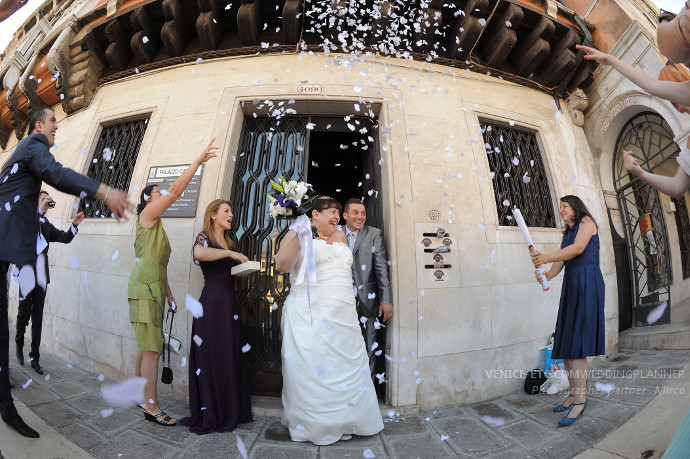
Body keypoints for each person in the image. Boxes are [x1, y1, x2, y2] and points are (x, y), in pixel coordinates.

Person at [0, 106, 133, 439]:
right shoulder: (33, 145)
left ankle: (6, 407)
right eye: (53, 122)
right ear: (37, 126)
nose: (56, 127)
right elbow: (56, 173)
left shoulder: (18, 165)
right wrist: (104, 191)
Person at [274, 196, 384, 445]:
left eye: (337, 212)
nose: (337, 217)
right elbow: (282, 266)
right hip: (309, 314)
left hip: (343, 318)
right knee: (312, 368)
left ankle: (350, 419)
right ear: (314, 214)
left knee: (347, 368)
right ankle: (316, 425)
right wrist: (301, 235)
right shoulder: (298, 232)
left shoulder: (341, 237)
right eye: (332, 212)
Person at [128, 140, 217, 427]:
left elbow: (155, 262)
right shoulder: (148, 214)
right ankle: (152, 406)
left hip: (153, 286)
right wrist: (197, 162)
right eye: (156, 191)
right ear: (147, 199)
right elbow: (177, 191)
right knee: (152, 347)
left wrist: (168, 294)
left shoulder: (156, 223)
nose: (161, 192)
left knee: (146, 346)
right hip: (144, 288)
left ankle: (141, 395)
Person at [180, 199, 253, 434]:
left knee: (226, 353)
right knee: (211, 354)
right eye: (226, 211)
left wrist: (240, 271)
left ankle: (228, 407)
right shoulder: (205, 237)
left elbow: (226, 271)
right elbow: (199, 253)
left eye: (232, 211)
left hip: (228, 303)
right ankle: (211, 409)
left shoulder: (229, 240)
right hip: (211, 303)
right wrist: (231, 253)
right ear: (213, 214)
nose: (231, 215)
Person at [531, 196, 605, 427]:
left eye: (565, 206)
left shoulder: (586, 221)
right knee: (569, 345)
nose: (561, 209)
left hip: (587, 283)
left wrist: (546, 256)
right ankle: (574, 393)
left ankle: (580, 401)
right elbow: (559, 265)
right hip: (572, 285)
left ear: (576, 207)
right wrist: (545, 275)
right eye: (560, 206)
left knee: (579, 344)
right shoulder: (566, 233)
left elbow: (578, 249)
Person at [15, 191, 85, 375]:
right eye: (44, 198)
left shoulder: (46, 225)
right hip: (26, 272)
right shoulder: (28, 219)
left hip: (41, 274)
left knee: (37, 316)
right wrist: (38, 209)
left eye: (49, 199)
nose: (48, 201)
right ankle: (19, 341)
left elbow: (64, 237)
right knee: (23, 313)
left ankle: (34, 357)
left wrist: (74, 225)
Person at [342, 198, 393, 381]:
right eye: (355, 213)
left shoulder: (374, 234)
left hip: (367, 300)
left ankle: (367, 393)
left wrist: (386, 299)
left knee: (368, 347)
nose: (360, 217)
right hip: (340, 300)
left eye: (363, 213)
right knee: (343, 348)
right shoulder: (335, 233)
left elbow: (381, 269)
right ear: (345, 215)